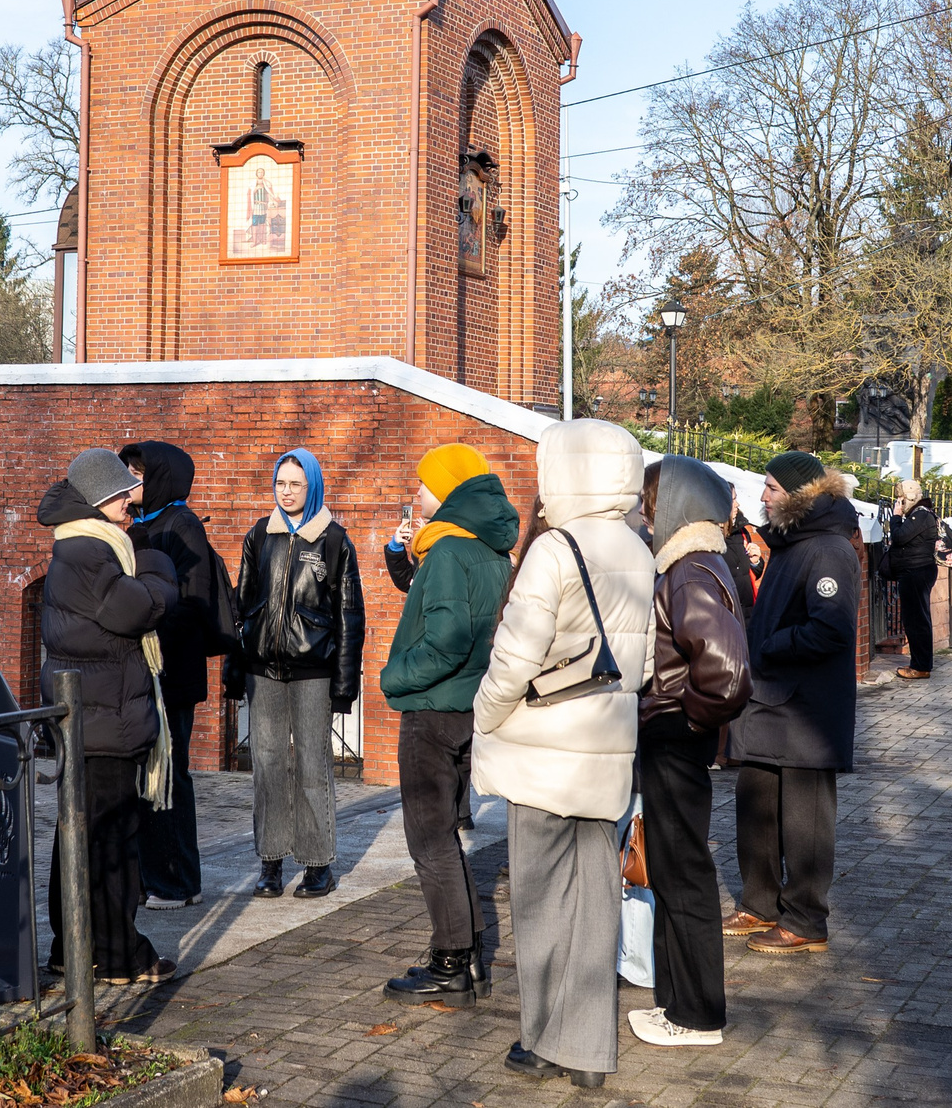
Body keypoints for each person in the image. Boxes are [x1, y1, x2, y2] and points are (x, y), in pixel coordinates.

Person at [473, 419, 656, 1092]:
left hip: (544, 750)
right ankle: (588, 1046)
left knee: (539, 896)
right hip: (605, 750)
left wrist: (487, 714)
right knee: (595, 898)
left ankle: (542, 1038)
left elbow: (514, 655)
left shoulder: (555, 548)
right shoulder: (640, 549)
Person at [376, 442, 519, 1009]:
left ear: (450, 493)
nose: (416, 494)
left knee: (429, 838)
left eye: (424, 485)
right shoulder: (492, 550)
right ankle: (470, 954)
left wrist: (393, 677)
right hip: (471, 707)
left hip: (433, 709)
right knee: (448, 838)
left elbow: (449, 639)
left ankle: (450, 963)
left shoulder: (446, 553)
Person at [37, 448, 180, 985]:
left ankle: (71, 948)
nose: (131, 500)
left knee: (78, 833)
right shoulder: (91, 550)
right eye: (122, 494)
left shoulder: (81, 544)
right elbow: (137, 608)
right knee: (111, 838)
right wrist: (158, 567)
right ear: (100, 500)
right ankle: (118, 954)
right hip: (103, 717)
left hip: (92, 714)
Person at [629, 456, 752, 1050]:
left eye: (652, 501)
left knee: (685, 878)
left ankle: (697, 1015)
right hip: (676, 740)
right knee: (676, 875)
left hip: (674, 742)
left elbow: (727, 676)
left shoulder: (689, 571)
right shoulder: (696, 566)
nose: (645, 513)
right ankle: (677, 1004)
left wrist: (685, 720)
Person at [726, 451, 862, 958]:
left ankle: (806, 920)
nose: (763, 496)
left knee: (804, 819)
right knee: (755, 801)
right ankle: (760, 904)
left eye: (772, 488)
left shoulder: (827, 549)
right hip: (770, 700)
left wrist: (770, 646)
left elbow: (830, 629)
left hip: (805, 711)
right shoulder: (790, 543)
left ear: (800, 497)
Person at [234, 449, 363, 899]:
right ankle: (269, 863)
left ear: (313, 486)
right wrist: (236, 669)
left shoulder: (334, 541)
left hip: (313, 672)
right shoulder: (258, 535)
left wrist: (345, 684)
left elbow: (350, 616)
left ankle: (317, 864)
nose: (286, 493)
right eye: (280, 483)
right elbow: (241, 605)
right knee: (267, 767)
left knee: (312, 766)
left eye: (296, 484)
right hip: (262, 671)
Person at [117, 441, 237, 910]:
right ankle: (161, 877)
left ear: (161, 477)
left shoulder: (181, 525)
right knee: (154, 773)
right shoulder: (144, 524)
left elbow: (191, 601)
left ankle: (175, 881)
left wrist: (145, 617)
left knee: (169, 774)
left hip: (171, 669)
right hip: (151, 668)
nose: (131, 480)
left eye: (138, 472)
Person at [881, 480, 945, 680]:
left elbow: (899, 537)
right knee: (917, 619)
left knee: (916, 621)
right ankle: (920, 664)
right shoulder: (919, 515)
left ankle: (920, 666)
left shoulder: (921, 515)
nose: (898, 501)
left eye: (900, 498)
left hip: (916, 573)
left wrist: (896, 516)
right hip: (915, 572)